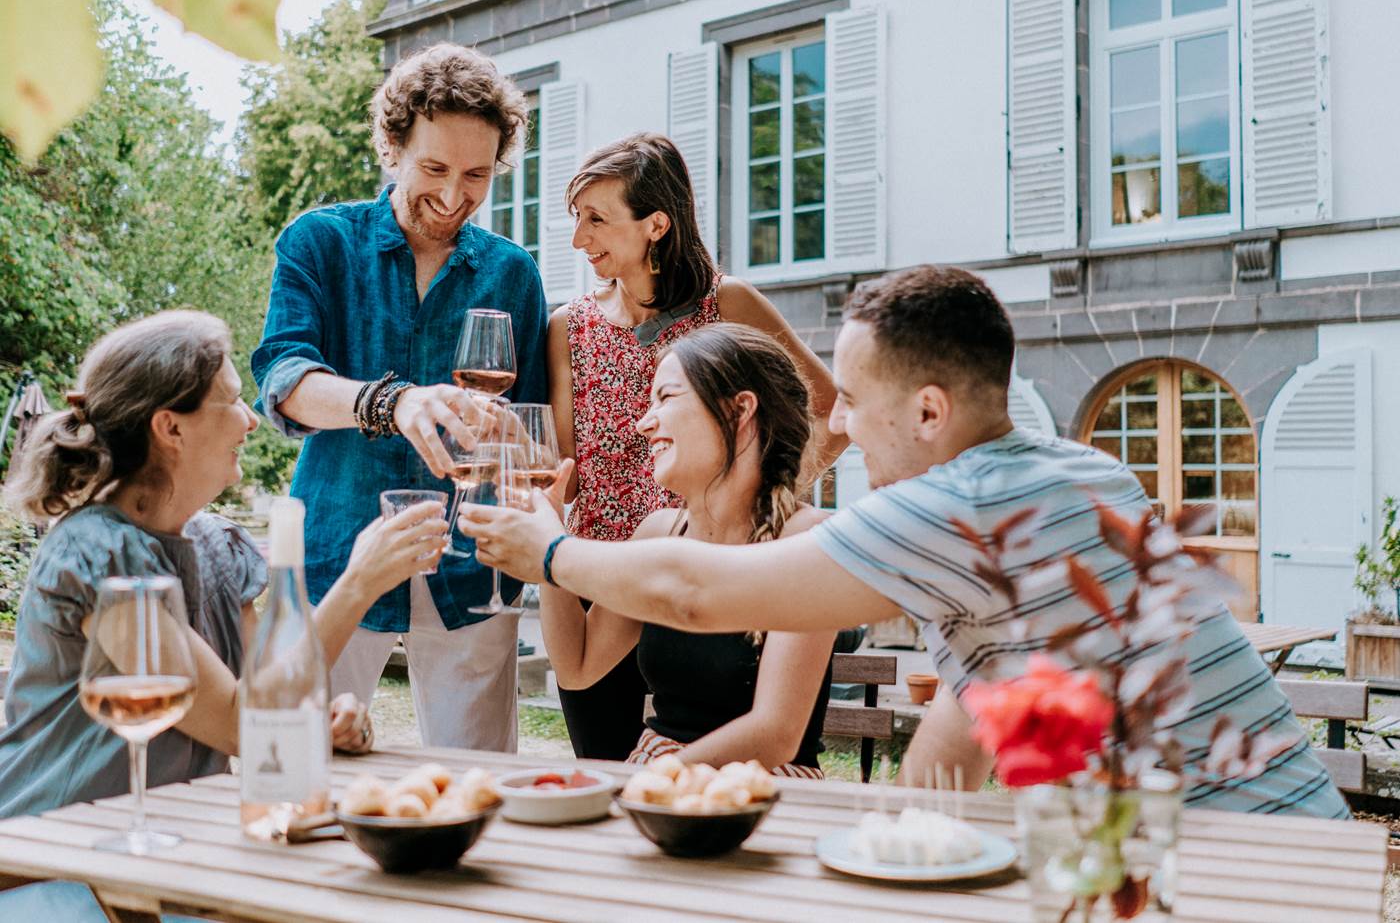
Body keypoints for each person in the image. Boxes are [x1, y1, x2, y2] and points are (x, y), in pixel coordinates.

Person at [464, 266, 1348, 818]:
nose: (836, 419)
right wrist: (894, 844)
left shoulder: (955, 505)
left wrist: (548, 550)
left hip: (1230, 861)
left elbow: (698, 592)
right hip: (1274, 838)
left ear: (929, 411)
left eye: (851, 397)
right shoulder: (1079, 473)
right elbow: (962, 728)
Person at [0, 311, 447, 819]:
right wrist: (361, 582)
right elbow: (242, 725)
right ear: (170, 427)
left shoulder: (217, 545)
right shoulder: (98, 555)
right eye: (233, 399)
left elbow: (271, 698)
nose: (252, 419)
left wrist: (326, 722)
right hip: (50, 848)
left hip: (172, 842)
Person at [251, 43, 548, 752]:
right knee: (297, 757)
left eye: (476, 175)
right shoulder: (320, 242)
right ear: (392, 148)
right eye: (435, 169)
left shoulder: (514, 273)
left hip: (472, 573)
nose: (453, 198)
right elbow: (286, 380)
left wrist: (508, 442)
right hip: (338, 555)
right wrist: (396, 404)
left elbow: (534, 435)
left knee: (479, 787)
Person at [549, 131, 845, 760]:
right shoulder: (568, 326)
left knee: (705, 764)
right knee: (611, 779)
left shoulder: (726, 303)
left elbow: (830, 411)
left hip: (717, 575)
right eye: (577, 219)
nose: (579, 240)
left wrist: (758, 505)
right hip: (606, 590)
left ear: (656, 223)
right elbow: (563, 470)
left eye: (596, 219)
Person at [545, 323, 832, 775]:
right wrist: (550, 544)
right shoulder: (659, 533)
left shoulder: (807, 541)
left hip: (764, 786)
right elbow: (577, 666)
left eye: (667, 398)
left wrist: (652, 781)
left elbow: (775, 734)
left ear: (740, 410)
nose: (644, 421)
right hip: (658, 772)